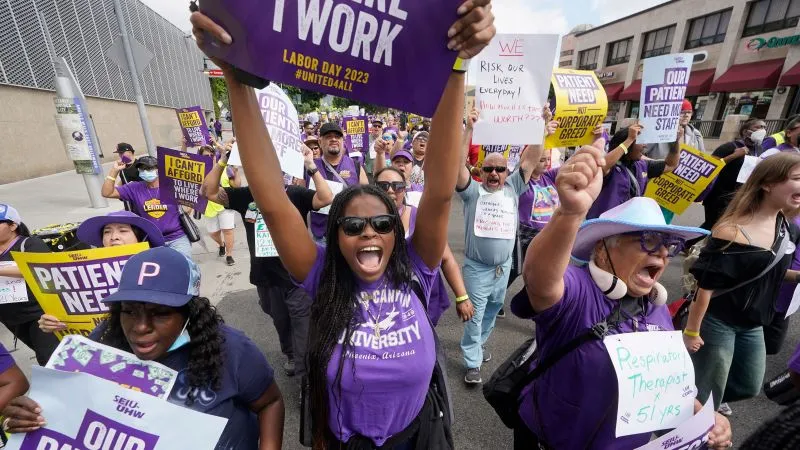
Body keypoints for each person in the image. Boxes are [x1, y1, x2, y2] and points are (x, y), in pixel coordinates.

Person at [189, 1, 496, 445]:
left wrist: (457, 64)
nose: (368, 232)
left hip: (419, 437)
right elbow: (272, 201)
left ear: (397, 232)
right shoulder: (321, 275)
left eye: (381, 225)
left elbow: (440, 191)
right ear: (335, 236)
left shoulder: (418, 265)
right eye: (352, 226)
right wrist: (236, 78)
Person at [511, 143, 732, 448]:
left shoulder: (655, 308)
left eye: (668, 244)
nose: (664, 253)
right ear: (603, 249)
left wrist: (705, 419)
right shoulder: (579, 289)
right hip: (552, 438)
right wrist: (569, 213)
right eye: (650, 240)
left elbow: (665, 386)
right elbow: (539, 279)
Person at [1, 247, 285, 449]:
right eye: (129, 311)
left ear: (190, 313)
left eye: (160, 313)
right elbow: (71, 413)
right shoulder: (100, 343)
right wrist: (31, 417)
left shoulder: (231, 349)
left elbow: (270, 403)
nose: (140, 327)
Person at [201, 144, 333, 378]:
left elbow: (325, 198)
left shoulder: (294, 193)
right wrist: (223, 160)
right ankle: (291, 354)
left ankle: (307, 378)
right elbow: (209, 192)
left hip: (297, 277)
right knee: (280, 320)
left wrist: (311, 166)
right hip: (265, 276)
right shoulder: (245, 196)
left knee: (302, 324)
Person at [686, 152, 800, 416]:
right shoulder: (732, 230)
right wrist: (692, 331)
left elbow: (771, 271)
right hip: (718, 321)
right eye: (795, 178)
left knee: (748, 385)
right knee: (707, 393)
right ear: (767, 183)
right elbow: (705, 287)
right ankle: (692, 432)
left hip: (753, 323)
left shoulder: (786, 226)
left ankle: (694, 406)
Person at [455, 114, 556, 384]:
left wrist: (540, 130)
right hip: (477, 268)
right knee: (475, 315)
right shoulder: (471, 192)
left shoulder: (513, 187)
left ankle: (479, 345)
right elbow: (456, 166)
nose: (494, 174)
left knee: (492, 309)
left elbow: (530, 161)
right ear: (481, 172)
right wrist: (469, 130)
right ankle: (472, 362)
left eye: (500, 170)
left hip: (503, 268)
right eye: (488, 169)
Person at [38, 210, 166, 334]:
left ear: (141, 238)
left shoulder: (160, 267)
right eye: (107, 232)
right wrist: (52, 321)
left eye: (123, 230)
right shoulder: (82, 274)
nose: (114, 237)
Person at [374, 166, 474, 325]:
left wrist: (462, 297)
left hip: (420, 295)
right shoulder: (364, 220)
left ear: (405, 189)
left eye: (397, 186)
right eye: (383, 186)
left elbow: (446, 259)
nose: (391, 191)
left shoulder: (419, 218)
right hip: (379, 299)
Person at [0, 204, 60, 365]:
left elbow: (37, 268)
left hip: (39, 315)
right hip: (12, 318)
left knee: (49, 359)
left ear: (13, 225)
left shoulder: (30, 244)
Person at [101, 155, 193, 260]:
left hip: (177, 238)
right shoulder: (134, 188)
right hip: (151, 240)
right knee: (158, 273)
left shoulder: (172, 185)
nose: (145, 172)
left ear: (158, 170)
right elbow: (107, 192)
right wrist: (114, 171)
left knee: (183, 268)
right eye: (142, 169)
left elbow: (189, 205)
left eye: (149, 168)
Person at [586, 123, 679, 219]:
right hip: (603, 226)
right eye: (640, 141)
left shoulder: (642, 165)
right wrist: (630, 139)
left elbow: (670, 165)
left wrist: (675, 143)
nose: (645, 146)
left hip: (628, 224)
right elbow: (603, 165)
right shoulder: (611, 166)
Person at [305, 122, 369, 244]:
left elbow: (367, 197)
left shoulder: (355, 165)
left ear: (342, 140)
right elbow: (300, 200)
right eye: (328, 136)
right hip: (319, 235)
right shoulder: (309, 166)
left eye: (337, 136)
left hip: (349, 231)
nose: (334, 139)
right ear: (320, 141)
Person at [700, 118, 767, 232]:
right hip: (719, 195)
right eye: (758, 127)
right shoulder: (730, 147)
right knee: (711, 225)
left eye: (764, 127)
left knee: (725, 227)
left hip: (739, 196)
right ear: (746, 131)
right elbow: (709, 167)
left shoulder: (759, 149)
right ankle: (684, 243)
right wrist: (733, 156)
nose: (762, 130)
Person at [199, 145, 240, 266]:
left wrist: (236, 171)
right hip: (208, 208)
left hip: (225, 205)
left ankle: (229, 254)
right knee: (213, 233)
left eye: (211, 155)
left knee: (228, 230)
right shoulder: (198, 171)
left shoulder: (225, 168)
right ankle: (221, 245)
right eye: (206, 156)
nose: (209, 157)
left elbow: (236, 185)